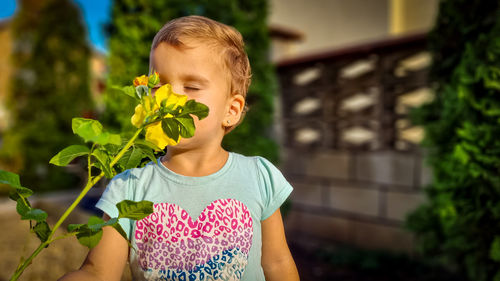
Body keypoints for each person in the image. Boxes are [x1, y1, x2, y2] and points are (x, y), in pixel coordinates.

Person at [59, 15, 299, 281]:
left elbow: (277, 262)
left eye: (192, 86)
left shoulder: (258, 176)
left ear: (231, 111)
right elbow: (98, 272)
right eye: (158, 85)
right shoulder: (129, 187)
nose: (168, 98)